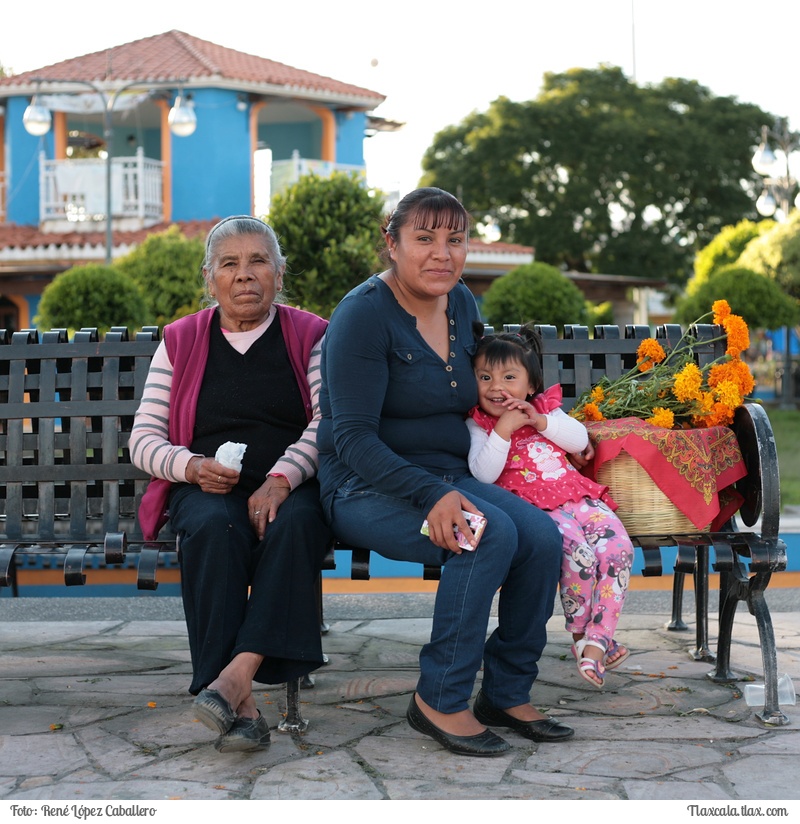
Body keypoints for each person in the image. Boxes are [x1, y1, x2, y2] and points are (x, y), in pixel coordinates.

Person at [317, 187, 574, 757]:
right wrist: (432, 493)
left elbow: (484, 396)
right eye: (424, 239)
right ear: (392, 244)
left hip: (452, 474)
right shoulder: (362, 316)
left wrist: (536, 427)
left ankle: (505, 693)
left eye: (454, 240)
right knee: (484, 535)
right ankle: (440, 698)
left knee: (539, 535)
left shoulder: (461, 303)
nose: (442, 254)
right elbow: (352, 439)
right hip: (367, 485)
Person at [130, 215, 331, 752]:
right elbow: (143, 439)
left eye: (258, 261)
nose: (245, 276)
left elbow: (327, 421)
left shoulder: (310, 334)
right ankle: (238, 701)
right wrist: (191, 466)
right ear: (210, 277)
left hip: (290, 484)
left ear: (280, 274)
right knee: (213, 530)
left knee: (296, 527)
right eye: (230, 264)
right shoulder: (181, 341)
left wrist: (284, 477)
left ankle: (231, 682)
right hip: (207, 487)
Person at [466, 326, 632, 688]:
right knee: (580, 558)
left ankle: (599, 638)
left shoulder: (546, 411)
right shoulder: (478, 425)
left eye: (509, 377)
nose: (497, 386)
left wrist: (538, 421)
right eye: (485, 377)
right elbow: (482, 473)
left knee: (619, 549)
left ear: (530, 385)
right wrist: (504, 430)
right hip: (538, 511)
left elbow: (579, 438)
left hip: (580, 498)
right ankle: (584, 641)